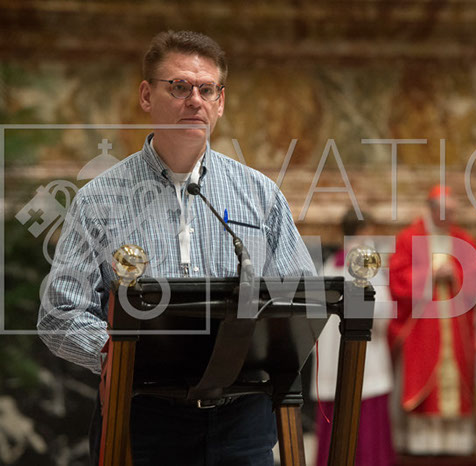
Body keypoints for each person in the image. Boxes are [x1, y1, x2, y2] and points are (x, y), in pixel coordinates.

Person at [37, 30, 315, 466]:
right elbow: (60, 313)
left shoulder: (260, 195)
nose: (195, 101)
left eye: (207, 89)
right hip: (142, 418)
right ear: (147, 96)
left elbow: (301, 299)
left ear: (220, 102)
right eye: (180, 87)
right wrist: (119, 355)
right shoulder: (99, 199)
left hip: (242, 418)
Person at [388, 185, 476, 455]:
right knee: (424, 373)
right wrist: (430, 274)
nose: (449, 216)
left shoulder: (463, 239)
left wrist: (456, 275)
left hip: (455, 324)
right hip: (422, 326)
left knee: (456, 377)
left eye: (452, 211)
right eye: (444, 211)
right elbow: (396, 279)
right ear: (431, 209)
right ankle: (422, 443)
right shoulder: (409, 238)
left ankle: (455, 443)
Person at [312, 208, 394, 466]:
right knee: (363, 419)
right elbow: (381, 309)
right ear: (363, 232)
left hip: (333, 360)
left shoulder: (329, 265)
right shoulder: (366, 263)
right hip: (364, 358)